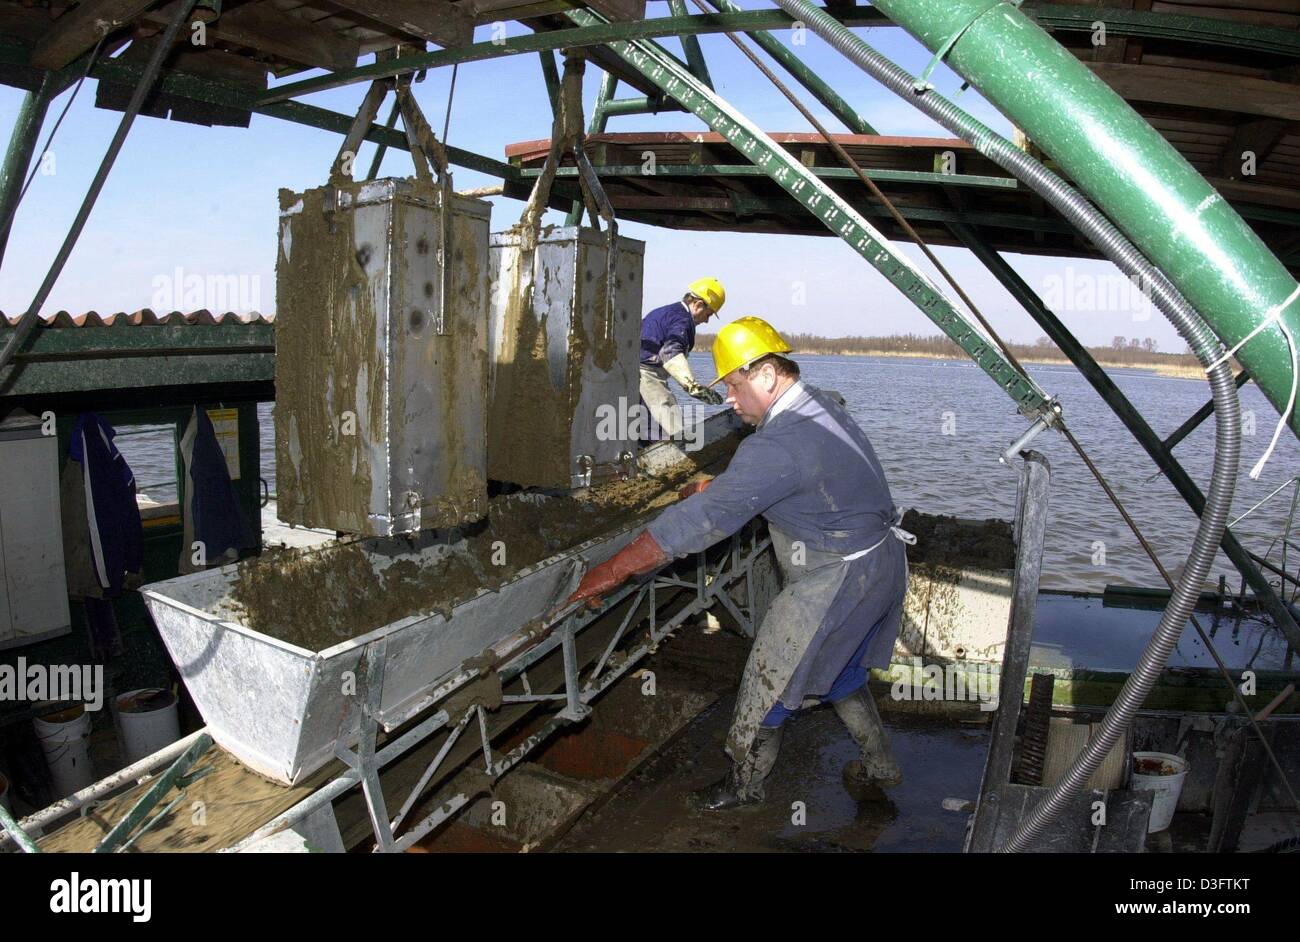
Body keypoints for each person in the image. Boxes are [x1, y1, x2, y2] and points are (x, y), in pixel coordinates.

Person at [568, 316, 912, 810]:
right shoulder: (820, 404)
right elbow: (805, 475)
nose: (729, 398)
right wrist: (725, 486)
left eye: (733, 384)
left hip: (835, 580)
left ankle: (744, 786)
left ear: (767, 375)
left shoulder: (773, 446)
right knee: (844, 672)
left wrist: (612, 569)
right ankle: (882, 765)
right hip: (881, 563)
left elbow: (701, 523)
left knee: (766, 684)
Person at [639, 277, 726, 439]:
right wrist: (692, 386)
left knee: (642, 428)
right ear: (698, 304)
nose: (707, 320)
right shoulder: (683, 320)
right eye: (708, 314)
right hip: (647, 375)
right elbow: (670, 352)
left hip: (634, 375)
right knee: (671, 429)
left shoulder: (665, 312)